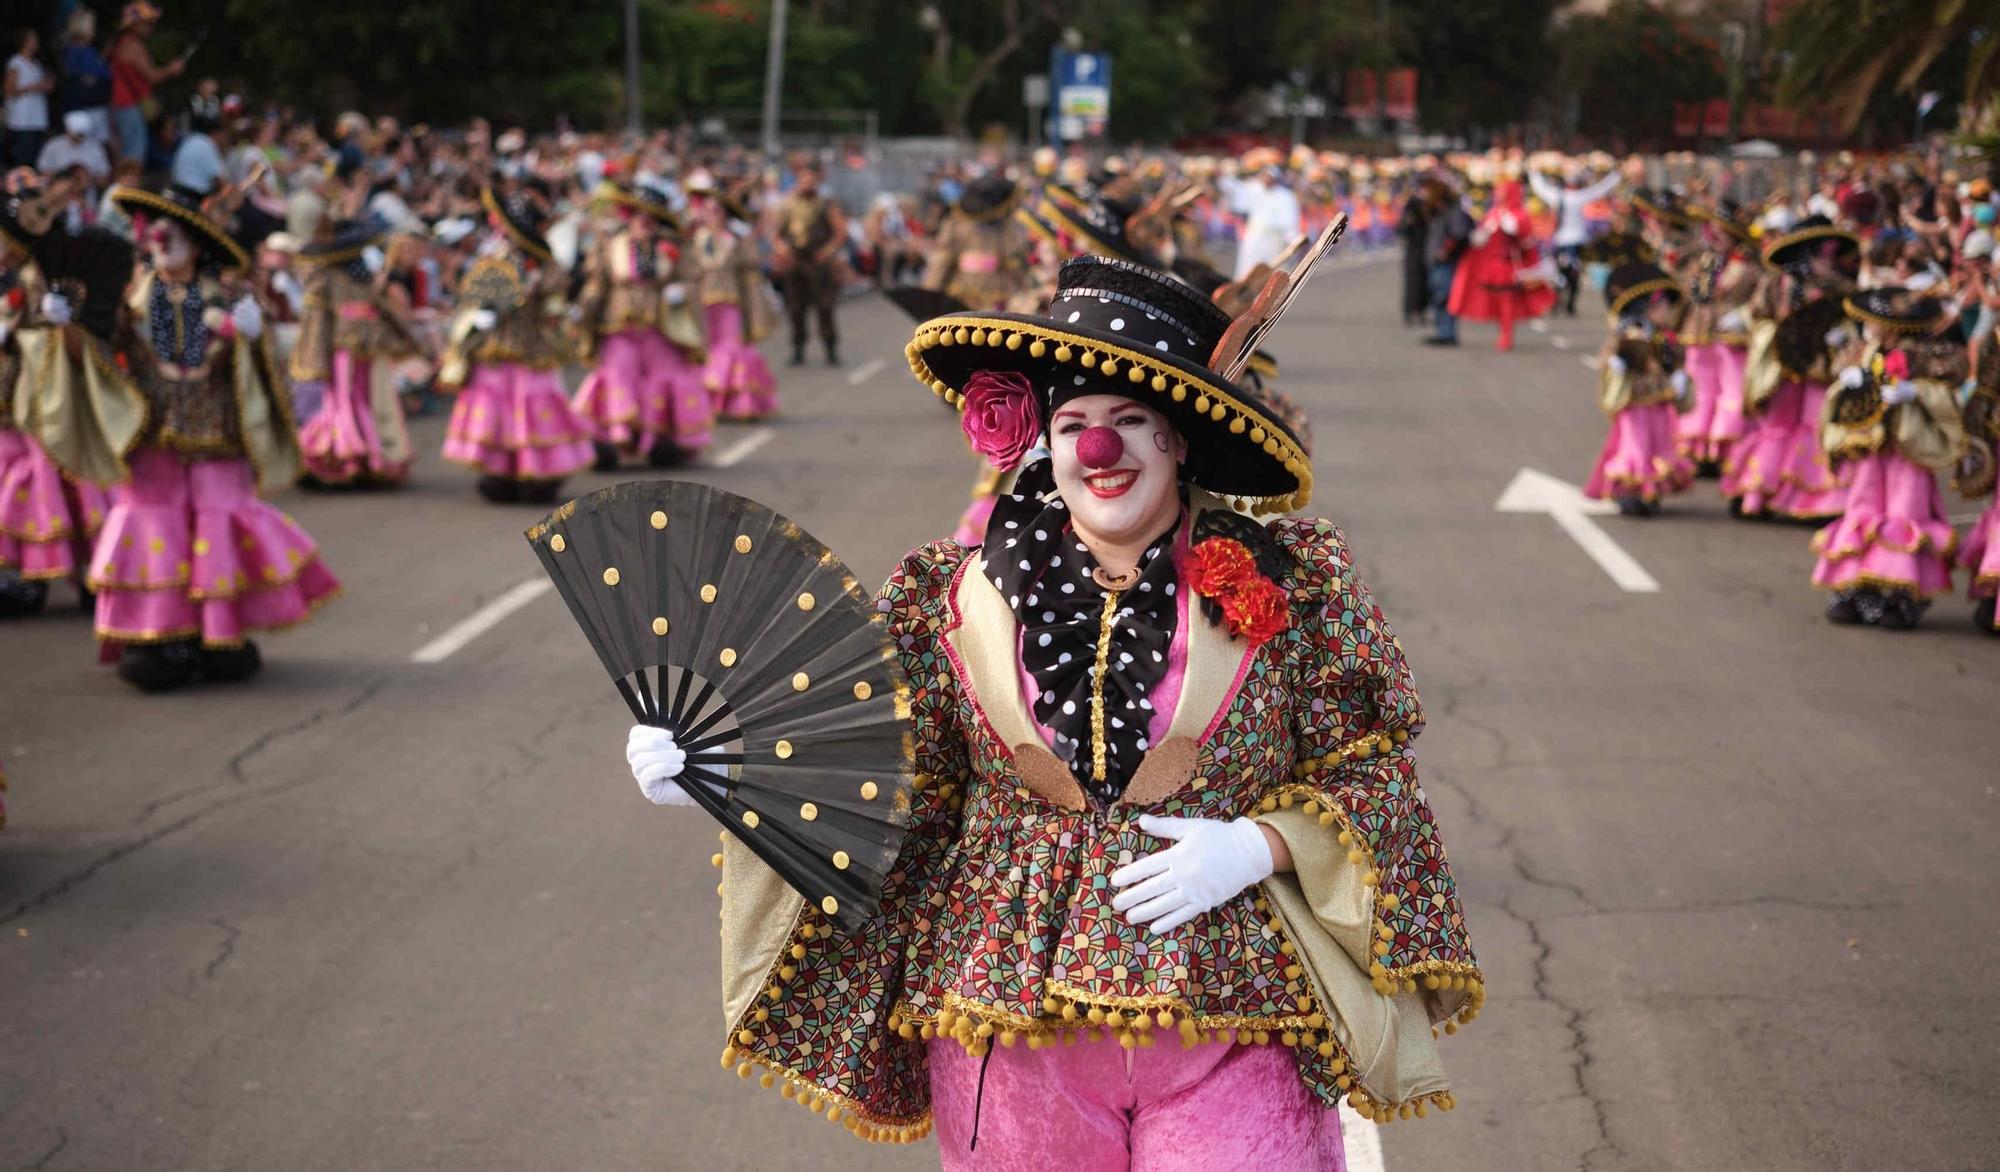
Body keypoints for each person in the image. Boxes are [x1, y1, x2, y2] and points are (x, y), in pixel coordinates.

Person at [625, 255, 1482, 1164]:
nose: (1097, 450)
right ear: (1043, 441)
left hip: (1240, 1013)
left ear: (1178, 442)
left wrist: (1260, 845)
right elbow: (891, 764)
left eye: (1129, 423)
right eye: (1073, 424)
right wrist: (730, 773)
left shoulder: (1294, 581)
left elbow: (1373, 769)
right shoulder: (949, 596)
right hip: (1006, 1016)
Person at [30, 183, 339, 690]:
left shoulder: (233, 296)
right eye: (153, 233)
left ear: (197, 243)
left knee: (218, 525)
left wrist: (253, 339)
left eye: (170, 232)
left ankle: (221, 634)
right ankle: (159, 637)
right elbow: (100, 358)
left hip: (217, 435)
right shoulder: (130, 298)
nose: (158, 239)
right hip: (151, 436)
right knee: (156, 532)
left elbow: (264, 371)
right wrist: (69, 329)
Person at [1808, 289, 1967, 628]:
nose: (1867, 327)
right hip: (1871, 450)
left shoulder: (1929, 357)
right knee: (1863, 512)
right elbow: (1841, 389)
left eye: (1874, 323)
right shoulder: (1862, 352)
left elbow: (1948, 400)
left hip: (1909, 453)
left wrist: (1916, 392)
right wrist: (1849, 383)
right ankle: (1856, 590)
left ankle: (1900, 598)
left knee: (1905, 515)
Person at [435, 201, 595, 504]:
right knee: (497, 410)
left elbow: (555, 296)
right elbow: (473, 294)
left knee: (534, 406)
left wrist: (540, 295)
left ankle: (539, 474)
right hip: (494, 346)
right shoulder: (491, 259)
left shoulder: (545, 263)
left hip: (532, 346)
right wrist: (481, 312)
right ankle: (499, 473)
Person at [0, 180, 109, 616]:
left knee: (59, 478)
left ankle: (88, 573)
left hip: (50, 401)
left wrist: (53, 326)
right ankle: (25, 575)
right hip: (12, 400)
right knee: (16, 481)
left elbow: (86, 335)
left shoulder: (56, 277)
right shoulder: (16, 276)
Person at [571, 180, 715, 468]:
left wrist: (681, 291)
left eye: (650, 217)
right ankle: (611, 438)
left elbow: (692, 277)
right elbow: (598, 284)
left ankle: (662, 441)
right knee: (618, 375)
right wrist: (583, 313)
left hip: (661, 327)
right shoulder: (612, 245)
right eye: (638, 215)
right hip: (619, 325)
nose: (644, 221)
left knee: (665, 378)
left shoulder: (673, 247)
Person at [1725, 215, 1859, 521]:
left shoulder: (1842, 289)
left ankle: (1818, 501)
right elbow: (1759, 315)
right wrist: (1773, 334)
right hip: (1780, 367)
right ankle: (1757, 492)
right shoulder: (1777, 283)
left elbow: (1850, 324)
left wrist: (1841, 335)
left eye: (1833, 254)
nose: (1830, 260)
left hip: (1821, 368)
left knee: (1818, 425)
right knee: (1776, 427)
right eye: (1825, 253)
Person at [291, 220, 426, 488]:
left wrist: (403, 339)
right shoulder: (326, 278)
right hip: (344, 352)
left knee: (373, 403)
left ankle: (369, 458)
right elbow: (317, 320)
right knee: (346, 404)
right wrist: (315, 357)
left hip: (369, 350)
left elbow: (382, 311)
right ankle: (347, 457)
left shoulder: (365, 276)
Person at [1584, 262, 1696, 516]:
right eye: (1663, 306)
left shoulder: (1665, 335)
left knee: (1660, 442)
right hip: (1635, 401)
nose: (1668, 311)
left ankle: (1650, 489)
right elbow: (1611, 354)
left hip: (1659, 400)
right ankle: (1630, 490)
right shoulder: (1629, 332)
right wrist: (1616, 362)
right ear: (1648, 307)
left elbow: (1675, 357)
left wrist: (1678, 373)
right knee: (1636, 443)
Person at [1674, 202, 1760, 476]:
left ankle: (1725, 448)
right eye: (1715, 231)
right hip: (1698, 330)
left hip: (1731, 335)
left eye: (1723, 231)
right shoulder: (1703, 260)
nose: (1716, 236)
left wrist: (1743, 315)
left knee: (1731, 387)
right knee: (1701, 387)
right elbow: (1687, 291)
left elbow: (1759, 298)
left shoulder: (1747, 265)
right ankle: (1697, 446)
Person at [686, 174, 779, 422]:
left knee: (731, 348)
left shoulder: (735, 239)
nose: (713, 214)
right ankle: (707, 402)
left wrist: (741, 245)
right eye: (708, 210)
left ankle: (736, 403)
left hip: (730, 300)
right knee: (705, 348)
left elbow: (754, 263)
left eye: (717, 210)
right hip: (701, 301)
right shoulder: (694, 239)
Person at [1448, 178, 1557, 352]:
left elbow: (1526, 242)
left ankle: (1506, 335)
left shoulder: (1519, 216)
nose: (1498, 194)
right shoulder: (1492, 213)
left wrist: (1515, 231)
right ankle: (1503, 332)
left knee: (1507, 300)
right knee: (1496, 300)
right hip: (1490, 265)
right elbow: (1480, 239)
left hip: (1509, 265)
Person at [773, 162, 846, 366]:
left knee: (825, 307)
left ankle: (830, 348)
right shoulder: (788, 205)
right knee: (796, 308)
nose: (807, 184)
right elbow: (777, 235)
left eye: (810, 180)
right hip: (796, 261)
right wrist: (782, 250)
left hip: (819, 262)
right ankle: (798, 348)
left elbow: (840, 233)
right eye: (803, 180)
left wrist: (827, 251)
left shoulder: (826, 204)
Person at [1527, 165, 1621, 317]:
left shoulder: (1558, 196)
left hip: (1563, 242)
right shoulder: (1580, 197)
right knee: (1573, 274)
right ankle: (1569, 304)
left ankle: (1558, 302)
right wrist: (1615, 175)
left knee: (1560, 273)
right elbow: (1600, 189)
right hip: (1576, 242)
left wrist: (1533, 172)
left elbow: (1540, 187)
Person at [108, 3, 184, 166]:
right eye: (148, 22)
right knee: (134, 153)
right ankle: (127, 189)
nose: (151, 27)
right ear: (135, 24)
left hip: (122, 105)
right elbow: (151, 76)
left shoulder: (120, 43)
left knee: (127, 150)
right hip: (128, 105)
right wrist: (171, 69)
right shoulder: (133, 46)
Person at [1422, 176, 1473, 347]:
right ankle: (1442, 331)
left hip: (1446, 262)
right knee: (1438, 296)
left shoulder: (1451, 211)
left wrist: (1446, 250)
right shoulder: (1438, 211)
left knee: (1444, 297)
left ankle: (1447, 332)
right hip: (1436, 260)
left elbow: (1459, 235)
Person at [53, 9, 112, 146]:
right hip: (84, 109)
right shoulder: (75, 52)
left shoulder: (89, 51)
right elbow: (82, 78)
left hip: (96, 107)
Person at [5, 29, 52, 170]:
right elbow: (9, 89)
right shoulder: (16, 63)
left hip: (37, 119)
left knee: (34, 158)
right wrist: (34, 87)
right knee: (22, 159)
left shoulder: (36, 64)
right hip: (22, 120)